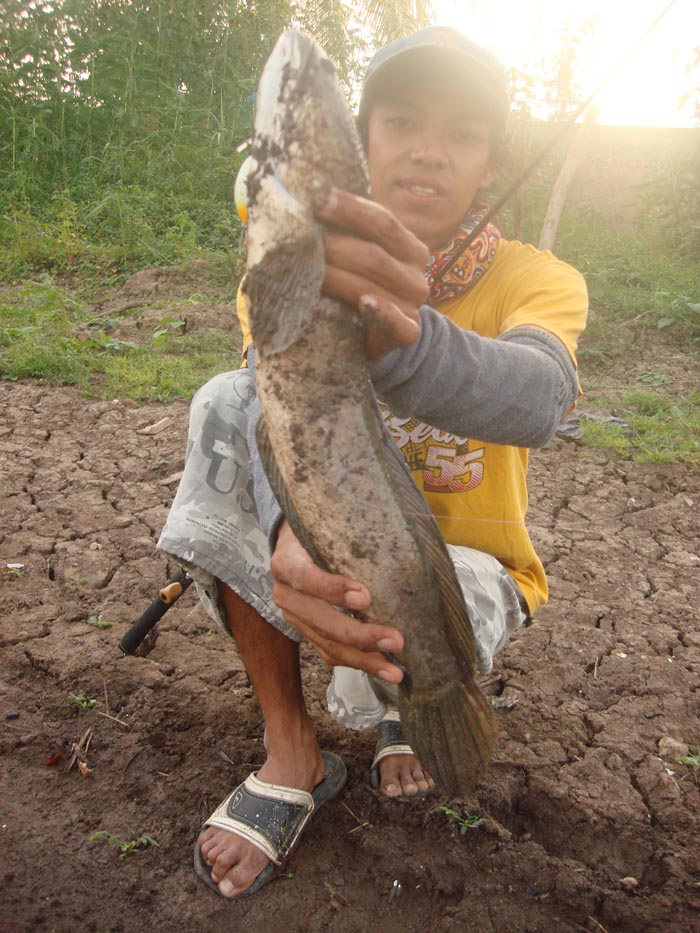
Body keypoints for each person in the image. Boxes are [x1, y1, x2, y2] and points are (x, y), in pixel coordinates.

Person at [157, 26, 588, 900]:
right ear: (360, 141)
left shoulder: (539, 278)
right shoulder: (286, 260)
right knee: (224, 406)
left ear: (487, 158)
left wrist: (402, 337)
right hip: (322, 557)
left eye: (463, 133)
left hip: (457, 578)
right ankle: (292, 754)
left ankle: (399, 711)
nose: (430, 151)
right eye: (402, 121)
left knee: (393, 688)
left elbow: (538, 397)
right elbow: (272, 401)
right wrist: (284, 525)